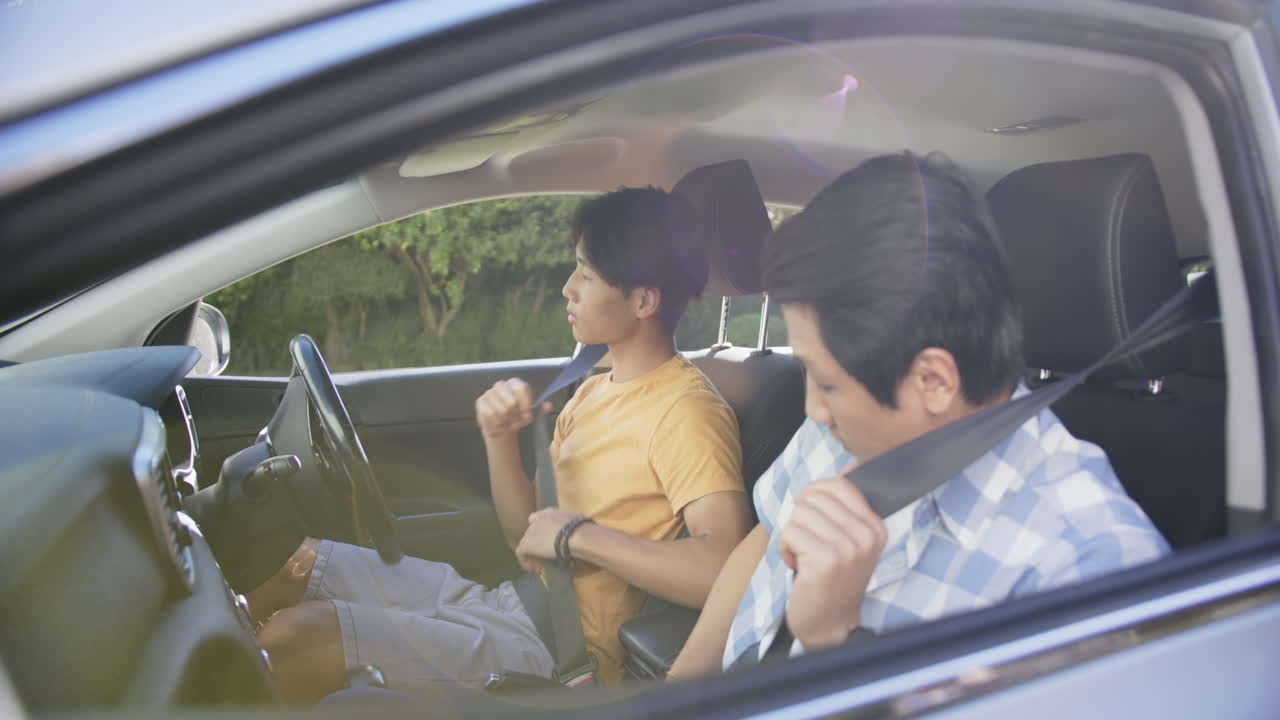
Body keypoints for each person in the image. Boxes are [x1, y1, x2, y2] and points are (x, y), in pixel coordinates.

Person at [668, 152, 1169, 677]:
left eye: (829, 383)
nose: (812, 408)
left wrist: (838, 644)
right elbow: (764, 540)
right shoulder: (840, 425)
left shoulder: (1086, 571)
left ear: (933, 381)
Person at [249, 187, 750, 700]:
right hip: (516, 601)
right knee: (293, 565)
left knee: (294, 638)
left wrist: (579, 536)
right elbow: (525, 538)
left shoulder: (687, 411)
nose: (566, 288)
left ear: (643, 300)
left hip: (564, 655)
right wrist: (499, 440)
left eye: (586, 273)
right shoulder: (595, 388)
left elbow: (723, 568)